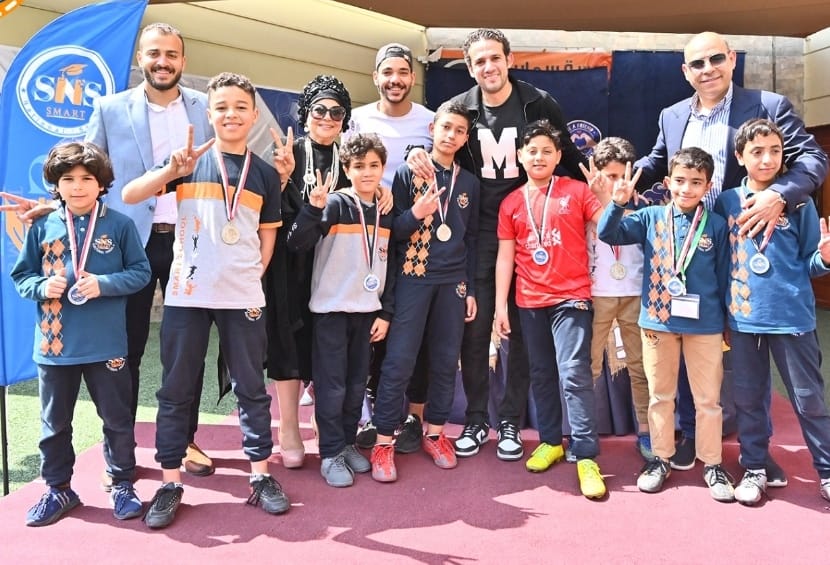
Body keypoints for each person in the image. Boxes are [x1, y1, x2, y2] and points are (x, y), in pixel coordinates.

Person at [634, 31, 828, 480]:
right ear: (685, 72)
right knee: (694, 345)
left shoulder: (768, 105)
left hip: (748, 245)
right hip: (689, 255)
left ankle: (756, 456)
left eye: (715, 59)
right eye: (697, 63)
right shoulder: (672, 115)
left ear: (732, 59)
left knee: (750, 370)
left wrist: (779, 194)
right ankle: (693, 436)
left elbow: (813, 158)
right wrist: (625, 178)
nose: (708, 70)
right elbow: (659, 160)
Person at [409, 28, 587, 462]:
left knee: (523, 330)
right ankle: (476, 418)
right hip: (477, 233)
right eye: (479, 61)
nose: (488, 67)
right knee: (475, 327)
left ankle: (509, 420)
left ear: (509, 59)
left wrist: (600, 191)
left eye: (495, 58)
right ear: (470, 68)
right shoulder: (461, 107)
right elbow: (441, 141)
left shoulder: (538, 102)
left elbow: (567, 158)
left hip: (530, 229)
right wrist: (416, 149)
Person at [122, 72, 289, 528]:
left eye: (240, 107)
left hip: (242, 295)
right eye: (222, 107)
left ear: (253, 116)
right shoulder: (187, 161)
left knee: (251, 388)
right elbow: (130, 194)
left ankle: (260, 475)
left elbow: (268, 235)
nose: (231, 114)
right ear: (209, 113)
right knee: (175, 388)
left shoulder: (265, 173)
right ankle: (169, 482)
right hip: (187, 294)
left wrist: (251, 275)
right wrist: (169, 171)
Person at [11, 141, 151, 526]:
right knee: (54, 423)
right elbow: (22, 277)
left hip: (107, 344)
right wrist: (43, 286)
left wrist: (104, 283)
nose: (77, 186)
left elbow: (141, 272)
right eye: (68, 179)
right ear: (56, 185)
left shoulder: (119, 225)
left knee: (117, 419)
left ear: (101, 184)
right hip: (55, 345)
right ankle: (58, 489)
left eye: (87, 178)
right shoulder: (43, 225)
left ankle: (122, 483)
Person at [599, 147, 734, 502]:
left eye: (696, 182)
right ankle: (660, 458)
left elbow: (724, 276)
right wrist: (617, 203)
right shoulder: (650, 217)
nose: (687, 189)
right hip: (658, 321)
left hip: (705, 324)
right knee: (660, 395)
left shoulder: (716, 225)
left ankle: (712, 463)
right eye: (680, 181)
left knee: (708, 399)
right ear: (667, 182)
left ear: (707, 187)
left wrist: (726, 322)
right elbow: (609, 234)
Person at [713, 118, 830, 505]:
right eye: (757, 152)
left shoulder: (799, 202)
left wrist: (825, 257)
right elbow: (722, 262)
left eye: (775, 151)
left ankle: (827, 470)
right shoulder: (728, 202)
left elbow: (810, 261)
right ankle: (755, 467)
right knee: (748, 398)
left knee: (809, 399)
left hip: (791, 317)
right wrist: (724, 315)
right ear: (739, 156)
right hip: (743, 318)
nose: (767, 159)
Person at [494, 120, 606, 499]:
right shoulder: (511, 202)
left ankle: (585, 454)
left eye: (547, 150)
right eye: (532, 151)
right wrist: (500, 306)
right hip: (529, 300)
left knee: (573, 373)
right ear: (520, 156)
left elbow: (608, 228)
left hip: (571, 297)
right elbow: (505, 257)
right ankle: (551, 441)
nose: (539, 157)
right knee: (541, 373)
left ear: (559, 156)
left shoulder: (577, 191)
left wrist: (607, 198)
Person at [371, 100, 480, 482]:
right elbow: (395, 231)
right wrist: (416, 213)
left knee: (446, 361)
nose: (451, 135)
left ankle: (435, 433)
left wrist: (470, 288)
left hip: (453, 282)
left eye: (459, 131)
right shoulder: (409, 172)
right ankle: (383, 441)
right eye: (446, 127)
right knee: (399, 362)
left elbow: (472, 238)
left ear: (465, 138)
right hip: (413, 278)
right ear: (433, 128)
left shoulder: (469, 183)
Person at [286, 133, 394, 487]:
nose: (367, 172)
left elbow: (390, 265)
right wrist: (312, 209)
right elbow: (296, 242)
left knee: (355, 385)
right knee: (331, 386)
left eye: (374, 165)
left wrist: (385, 312)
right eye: (359, 166)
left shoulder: (384, 210)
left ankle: (347, 442)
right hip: (331, 311)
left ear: (383, 168)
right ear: (347, 169)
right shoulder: (334, 204)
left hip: (366, 312)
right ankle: (330, 452)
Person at [344, 43, 434, 454]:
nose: (395, 80)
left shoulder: (430, 121)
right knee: (372, 327)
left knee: (413, 330)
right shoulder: (359, 119)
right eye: (387, 73)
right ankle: (372, 415)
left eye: (402, 72)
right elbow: (349, 168)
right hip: (370, 235)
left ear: (412, 77)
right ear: (375, 77)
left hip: (417, 237)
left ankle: (412, 416)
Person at [264, 74, 353, 469]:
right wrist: (281, 177)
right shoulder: (287, 152)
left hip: (332, 264)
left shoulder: (348, 157)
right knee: (287, 342)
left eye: (336, 111)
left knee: (326, 342)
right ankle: (288, 427)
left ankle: (323, 418)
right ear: (305, 113)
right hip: (287, 264)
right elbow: (265, 203)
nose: (327, 117)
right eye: (320, 109)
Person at [584, 137, 651, 460]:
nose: (617, 183)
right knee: (588, 366)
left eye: (622, 176)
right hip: (596, 295)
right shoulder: (585, 205)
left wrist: (616, 200)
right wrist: (601, 200)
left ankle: (647, 431)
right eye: (610, 176)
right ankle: (583, 432)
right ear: (597, 173)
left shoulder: (643, 209)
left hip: (635, 295)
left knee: (640, 367)